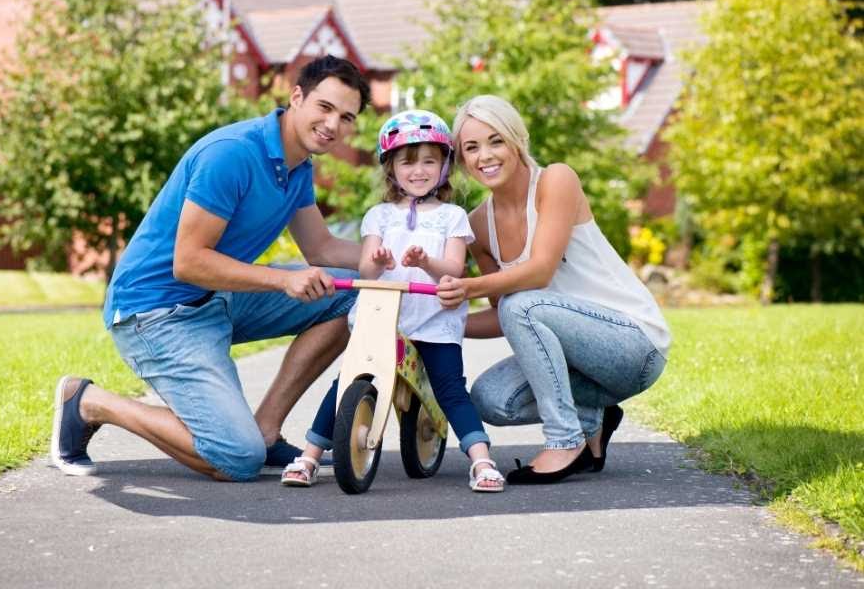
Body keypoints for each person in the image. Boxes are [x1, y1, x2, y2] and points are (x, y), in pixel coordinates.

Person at [50, 56, 372, 482]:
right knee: (236, 458)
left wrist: (391, 254)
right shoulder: (233, 155)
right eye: (325, 108)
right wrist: (283, 280)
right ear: (296, 97)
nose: (333, 125)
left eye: (346, 117)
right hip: (155, 313)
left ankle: (266, 429)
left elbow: (323, 248)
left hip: (215, 298)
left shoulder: (297, 168)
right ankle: (89, 402)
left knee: (350, 297)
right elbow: (188, 262)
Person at [436, 95, 671, 484]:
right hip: (576, 359)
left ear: (517, 140)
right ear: (461, 160)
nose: (485, 156)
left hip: (633, 346)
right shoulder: (478, 226)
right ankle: (591, 419)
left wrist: (469, 286)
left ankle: (565, 440)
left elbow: (540, 272)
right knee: (491, 399)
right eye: (471, 148)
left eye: (496, 140)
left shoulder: (556, 180)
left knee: (522, 304)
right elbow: (501, 314)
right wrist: (435, 323)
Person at [280, 110, 505, 492]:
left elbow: (453, 271)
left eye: (429, 161)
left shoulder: (452, 217)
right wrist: (378, 261)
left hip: (434, 321)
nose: (419, 171)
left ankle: (482, 462)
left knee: (450, 388)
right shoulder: (380, 216)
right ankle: (309, 457)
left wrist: (425, 262)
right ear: (391, 168)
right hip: (384, 319)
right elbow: (367, 270)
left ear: (444, 167)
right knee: (346, 381)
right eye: (408, 162)